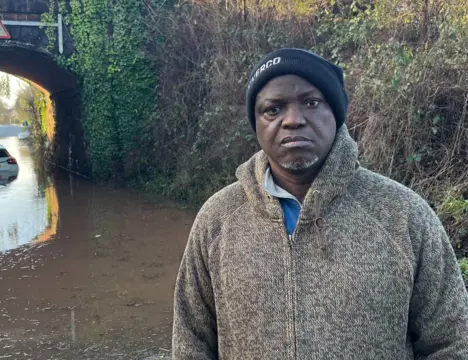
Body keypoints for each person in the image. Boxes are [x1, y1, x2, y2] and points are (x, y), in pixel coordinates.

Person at [172, 48, 468, 359]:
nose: (293, 120)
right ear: (256, 123)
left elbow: (452, 342)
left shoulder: (403, 215)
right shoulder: (217, 220)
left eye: (311, 103)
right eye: (273, 109)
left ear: (335, 113)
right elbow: (192, 343)